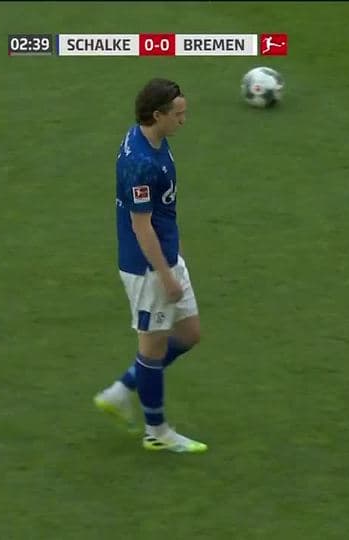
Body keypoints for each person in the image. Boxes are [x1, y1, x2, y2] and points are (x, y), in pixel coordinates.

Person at [93, 78, 207, 454]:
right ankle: (156, 431)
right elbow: (140, 227)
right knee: (152, 348)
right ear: (157, 115)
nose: (183, 120)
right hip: (148, 268)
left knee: (189, 333)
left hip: (167, 256)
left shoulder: (149, 137)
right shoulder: (140, 164)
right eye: (178, 114)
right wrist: (165, 275)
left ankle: (122, 390)